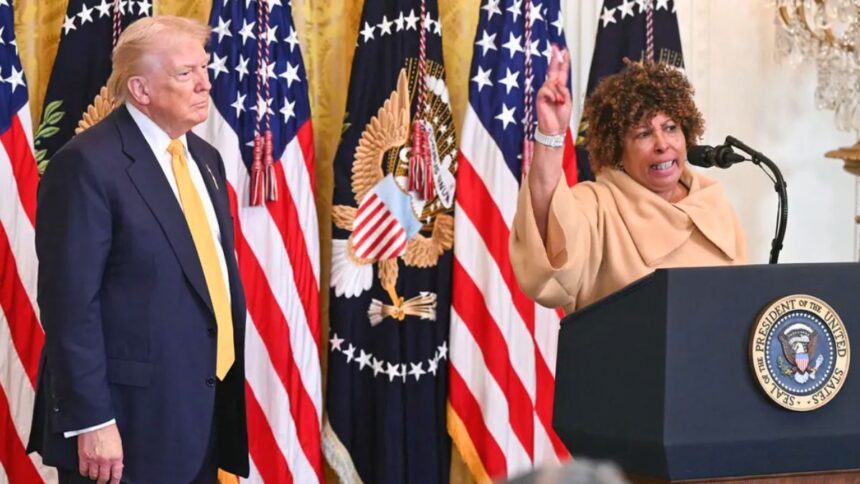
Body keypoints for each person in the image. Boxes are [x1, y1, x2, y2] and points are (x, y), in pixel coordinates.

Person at [27, 16, 248, 483]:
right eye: (186, 73)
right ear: (141, 90)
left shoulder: (205, 159)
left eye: (204, 69)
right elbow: (69, 306)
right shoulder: (86, 165)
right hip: (124, 432)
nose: (205, 84)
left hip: (200, 416)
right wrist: (93, 421)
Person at [511, 48, 747, 313]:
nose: (662, 144)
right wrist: (551, 136)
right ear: (617, 151)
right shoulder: (597, 204)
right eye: (643, 134)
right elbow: (547, 236)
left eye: (670, 128)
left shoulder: (711, 198)